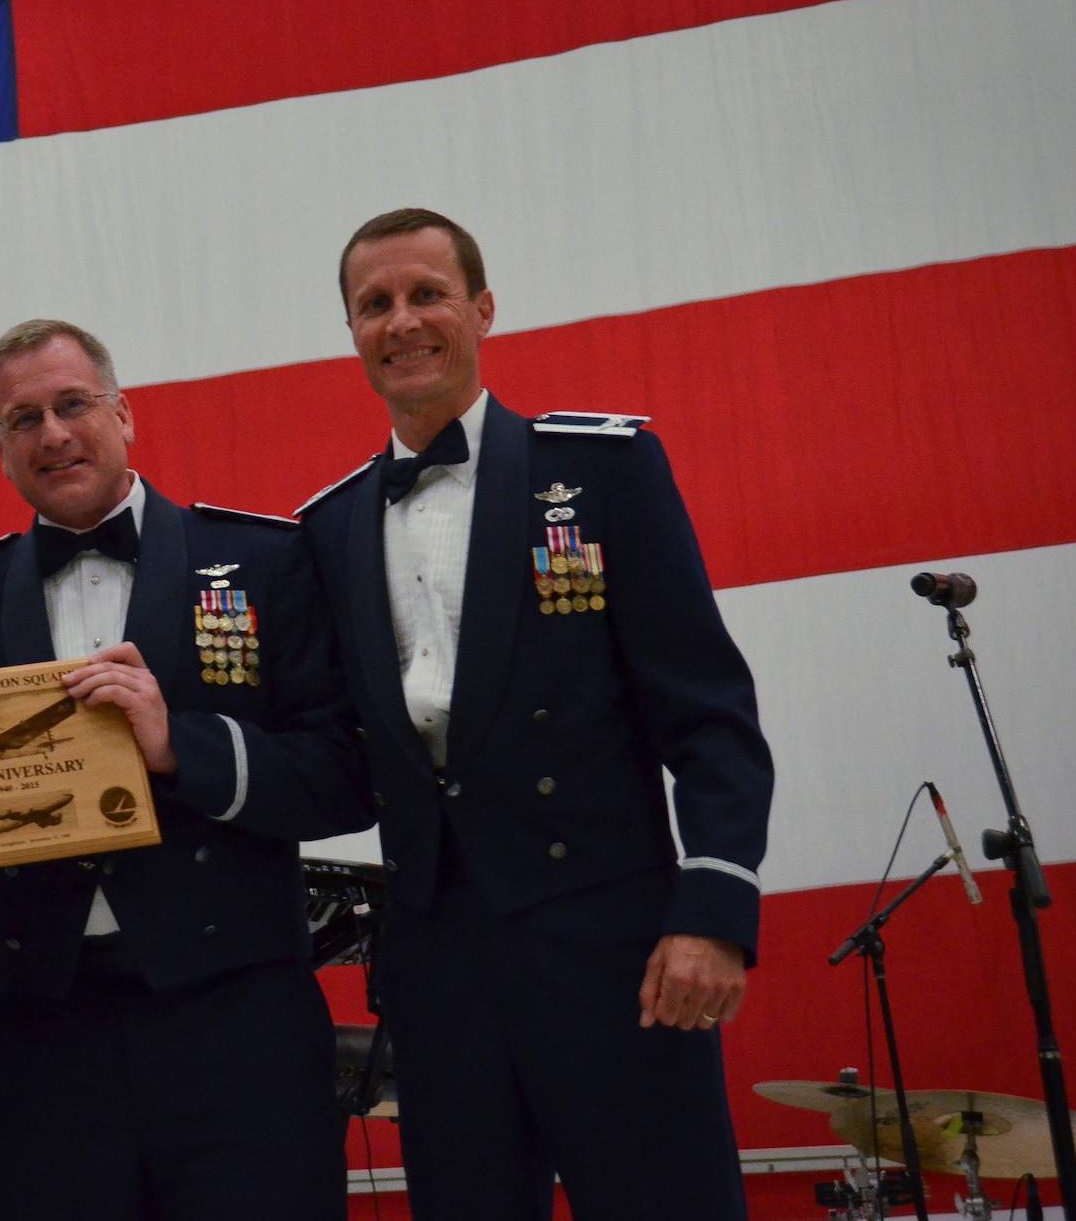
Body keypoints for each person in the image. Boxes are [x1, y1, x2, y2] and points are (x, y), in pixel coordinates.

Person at [299, 210, 774, 1219]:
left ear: (480, 307)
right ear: (349, 331)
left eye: (425, 292)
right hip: (437, 973)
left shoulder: (601, 470)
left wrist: (714, 911)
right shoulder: (325, 526)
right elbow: (335, 750)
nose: (402, 320)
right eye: (372, 303)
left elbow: (707, 714)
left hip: (616, 951)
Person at [0, 319, 372, 1221]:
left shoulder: (266, 564)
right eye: (23, 418)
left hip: (237, 1025)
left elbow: (346, 773)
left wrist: (176, 748)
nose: (53, 433)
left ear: (125, 414)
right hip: (41, 1034)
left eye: (73, 404)